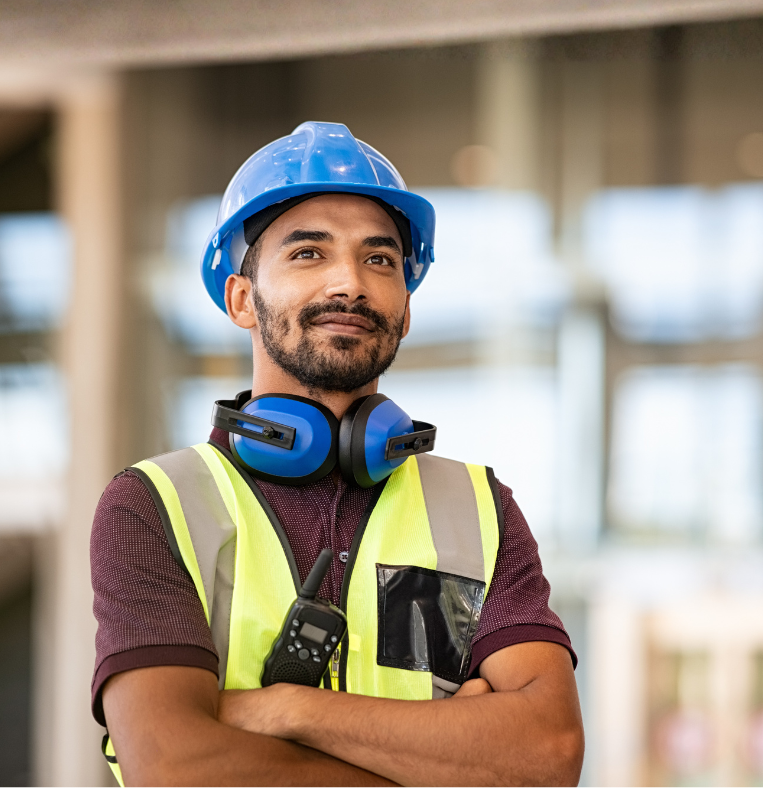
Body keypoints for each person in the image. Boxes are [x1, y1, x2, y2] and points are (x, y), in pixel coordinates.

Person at [91, 121, 584, 786]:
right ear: (242, 299)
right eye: (308, 255)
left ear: (405, 309)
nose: (349, 283)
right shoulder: (156, 505)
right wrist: (448, 761)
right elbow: (177, 766)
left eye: (379, 260)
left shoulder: (480, 510)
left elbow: (548, 753)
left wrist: (291, 710)